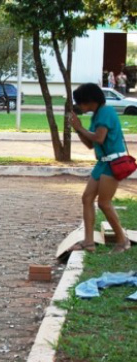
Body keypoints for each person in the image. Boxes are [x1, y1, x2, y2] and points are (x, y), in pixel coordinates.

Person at [69, 83, 131, 254]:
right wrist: (78, 130)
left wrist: (80, 128)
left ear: (90, 100)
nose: (79, 106)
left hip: (113, 163)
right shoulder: (95, 116)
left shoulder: (106, 112)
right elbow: (90, 144)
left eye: (80, 102)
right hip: (102, 162)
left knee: (104, 203)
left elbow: (100, 138)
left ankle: (123, 240)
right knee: (87, 198)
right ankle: (89, 242)